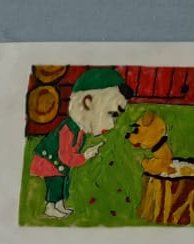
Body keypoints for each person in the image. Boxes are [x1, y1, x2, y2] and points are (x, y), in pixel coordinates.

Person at [30, 68, 133, 220]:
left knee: (63, 183)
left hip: (58, 165)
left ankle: (59, 205)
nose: (112, 125)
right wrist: (85, 156)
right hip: (49, 163)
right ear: (87, 102)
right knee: (55, 185)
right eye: (111, 114)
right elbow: (65, 157)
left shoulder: (80, 131)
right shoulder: (68, 130)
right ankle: (51, 207)